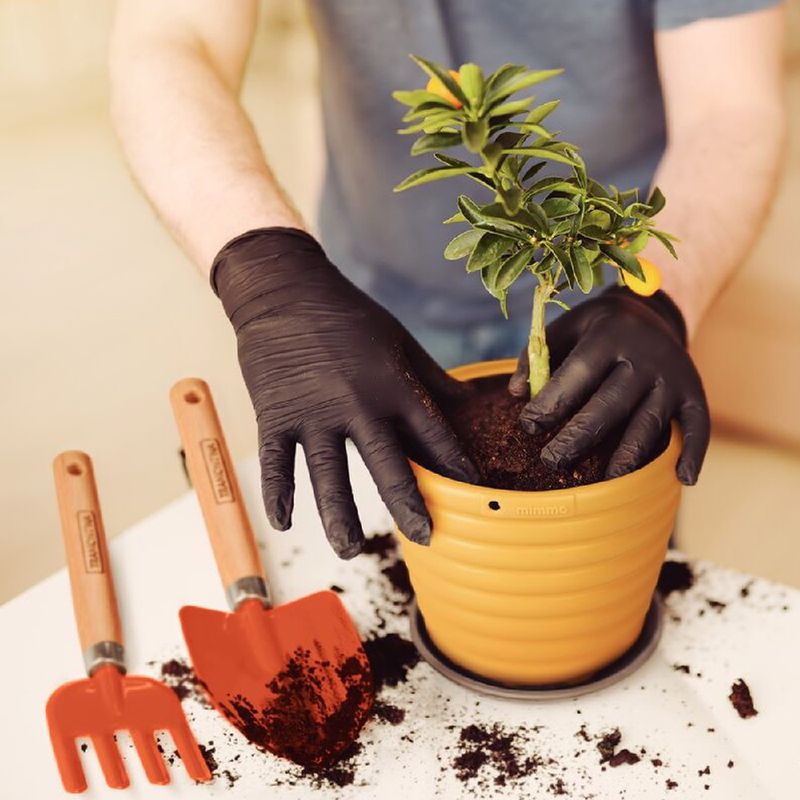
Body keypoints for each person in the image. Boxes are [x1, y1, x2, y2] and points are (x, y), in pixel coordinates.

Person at [110, 0, 786, 559]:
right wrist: (265, 271)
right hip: (365, 300)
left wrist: (661, 297)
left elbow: (730, 106)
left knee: (608, 561)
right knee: (402, 554)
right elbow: (171, 33)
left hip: (608, 295)